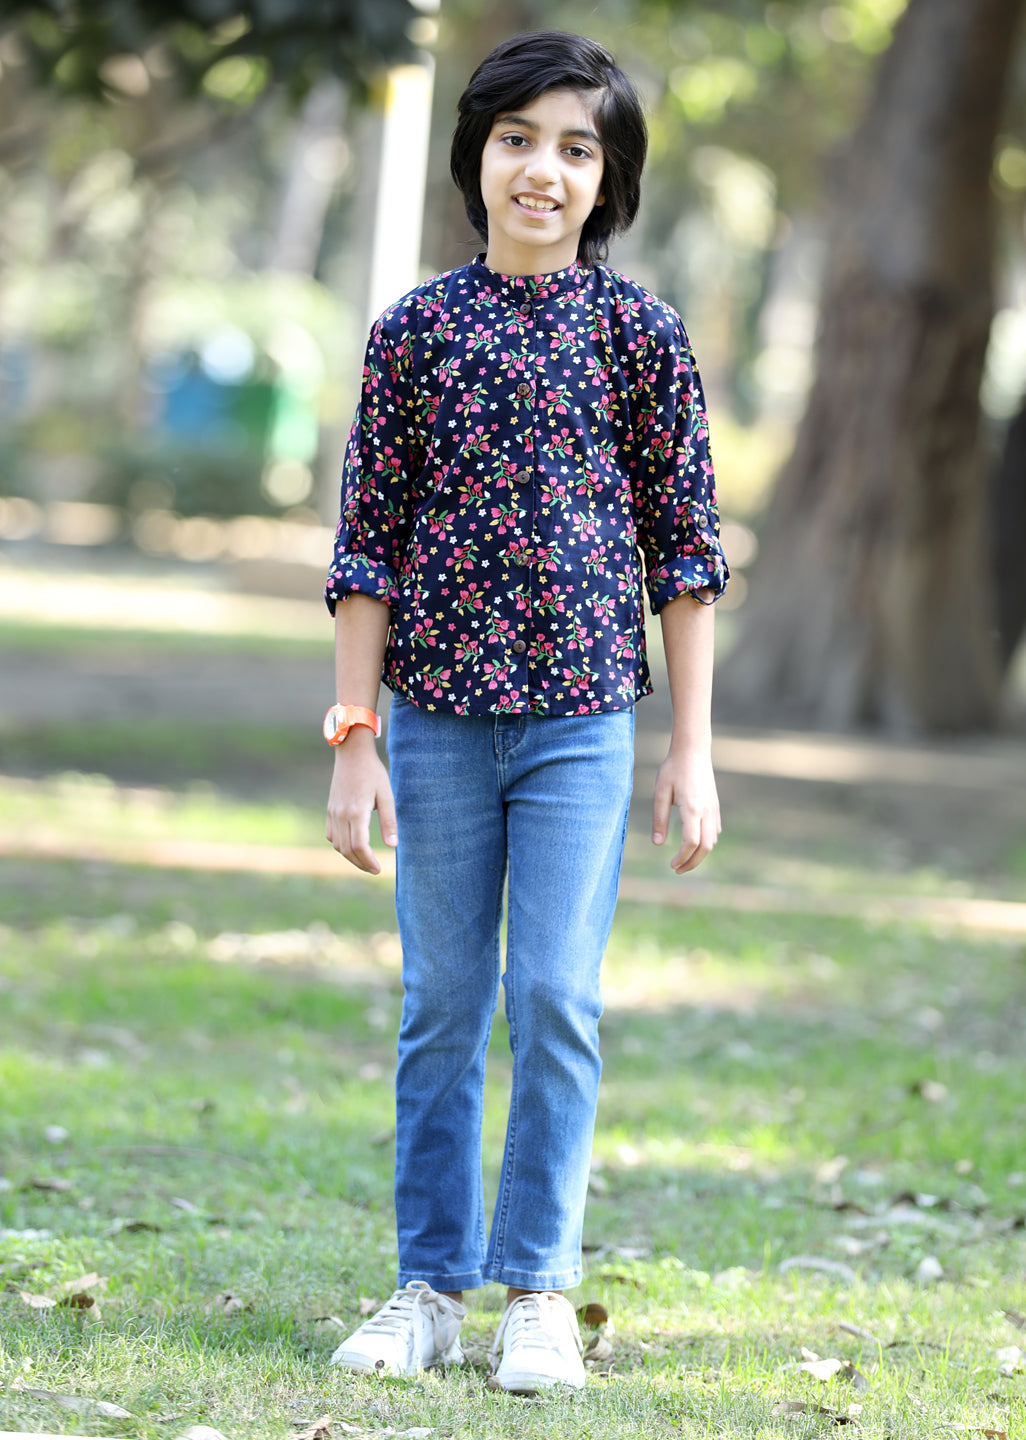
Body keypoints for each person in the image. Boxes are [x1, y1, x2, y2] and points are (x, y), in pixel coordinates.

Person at [322, 29, 728, 1394]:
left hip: (579, 725)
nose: (541, 169)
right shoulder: (417, 332)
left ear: (605, 180)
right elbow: (366, 547)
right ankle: (429, 1287)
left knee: (553, 996)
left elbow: (686, 555)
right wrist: (354, 739)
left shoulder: (641, 340)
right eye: (516, 139)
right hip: (432, 725)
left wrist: (693, 750)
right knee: (443, 1002)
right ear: (476, 156)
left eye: (574, 146)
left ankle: (538, 1293)